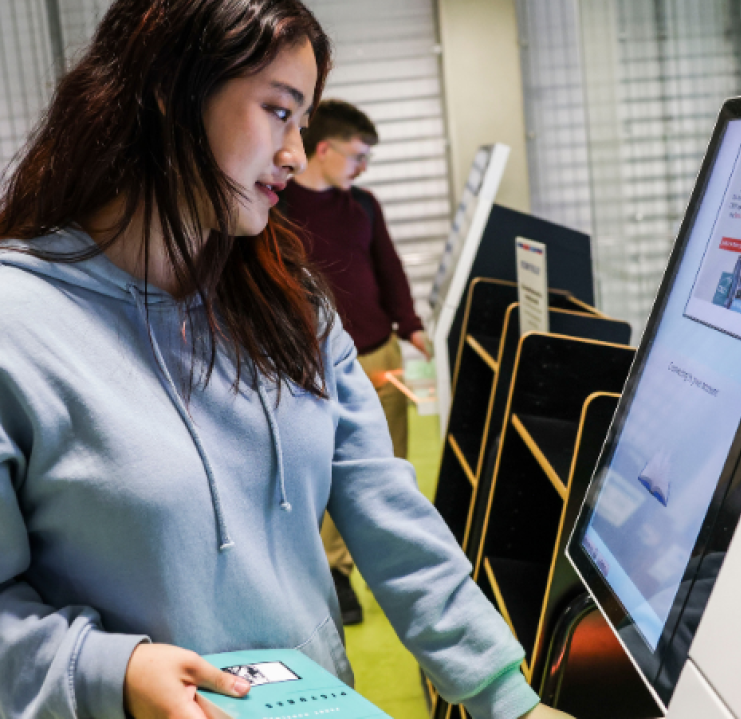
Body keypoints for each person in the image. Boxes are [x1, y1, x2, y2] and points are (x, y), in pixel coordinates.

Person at [0, 2, 572, 719]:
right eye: (279, 111)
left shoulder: (288, 303)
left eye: (304, 122)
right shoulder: (16, 327)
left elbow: (386, 510)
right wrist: (114, 671)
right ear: (170, 100)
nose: (298, 154)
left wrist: (505, 697)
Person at [281, 100, 429, 625]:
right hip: (305, 366)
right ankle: (332, 572)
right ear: (324, 149)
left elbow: (389, 269)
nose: (363, 167)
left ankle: (393, 571)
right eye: (358, 155)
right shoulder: (276, 207)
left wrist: (411, 325)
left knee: (383, 466)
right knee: (321, 468)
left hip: (378, 356)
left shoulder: (363, 205)